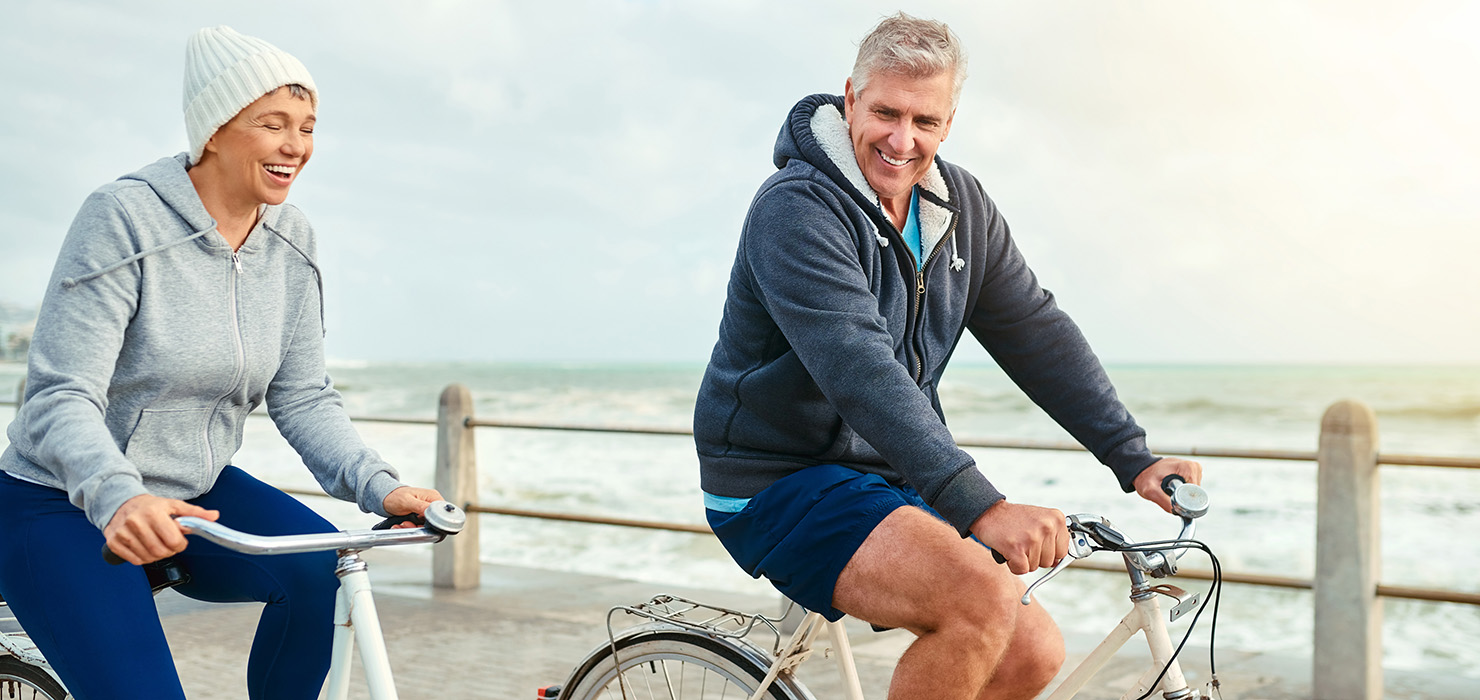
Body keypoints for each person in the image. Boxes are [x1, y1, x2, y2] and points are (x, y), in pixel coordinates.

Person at [694, 13, 1203, 700]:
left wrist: (1131, 455)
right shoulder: (797, 209)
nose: (902, 140)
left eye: (924, 121)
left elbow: (1033, 329)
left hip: (888, 474)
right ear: (850, 98)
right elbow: (858, 367)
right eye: (884, 112)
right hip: (776, 478)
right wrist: (982, 506)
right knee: (979, 603)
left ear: (950, 122)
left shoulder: (960, 206)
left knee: (1031, 653)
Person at [0, 26, 444, 700]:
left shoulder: (293, 239)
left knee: (320, 574)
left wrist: (380, 486)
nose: (297, 145)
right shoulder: (122, 216)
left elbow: (302, 394)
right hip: (60, 501)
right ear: (214, 131)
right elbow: (60, 395)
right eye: (274, 124)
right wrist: (121, 495)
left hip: (192, 492)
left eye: (307, 126)